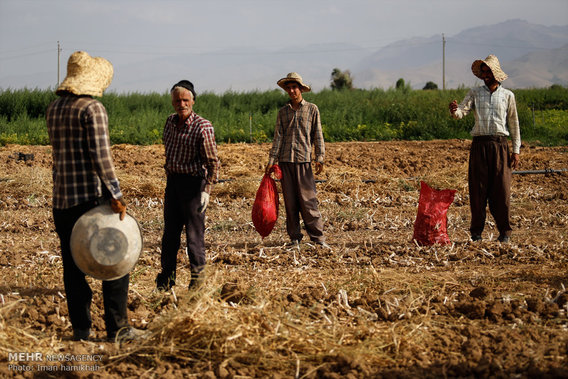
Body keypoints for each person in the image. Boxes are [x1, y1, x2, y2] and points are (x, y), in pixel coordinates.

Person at [46, 51, 139, 342]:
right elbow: (101, 157)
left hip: (62, 201)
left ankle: (81, 329)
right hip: (90, 202)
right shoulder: (92, 109)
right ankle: (118, 329)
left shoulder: (54, 108)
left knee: (73, 268)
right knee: (114, 263)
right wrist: (116, 194)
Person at [155, 80, 220, 291]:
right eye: (177, 100)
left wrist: (206, 191)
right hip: (173, 184)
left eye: (185, 100)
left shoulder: (203, 126)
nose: (181, 104)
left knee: (194, 237)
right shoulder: (170, 122)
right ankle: (166, 281)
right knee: (169, 237)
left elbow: (213, 163)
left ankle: (198, 284)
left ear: (193, 101)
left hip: (193, 186)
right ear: (172, 102)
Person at [449, 54, 521, 243]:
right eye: (484, 71)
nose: (486, 74)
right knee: (478, 190)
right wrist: (454, 111)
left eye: (488, 71)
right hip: (479, 145)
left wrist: (516, 150)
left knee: (501, 190)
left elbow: (514, 124)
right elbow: (461, 112)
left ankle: (505, 232)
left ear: (496, 73)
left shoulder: (508, 96)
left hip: (500, 145)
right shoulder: (474, 93)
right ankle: (476, 233)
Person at [265, 72, 329, 248]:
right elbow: (278, 137)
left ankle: (318, 239)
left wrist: (320, 157)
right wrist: (272, 160)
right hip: (285, 162)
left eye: (295, 87)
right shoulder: (283, 112)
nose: (292, 90)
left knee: (308, 201)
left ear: (301, 89)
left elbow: (318, 135)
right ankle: (295, 238)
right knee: (291, 202)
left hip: (303, 161)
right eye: (289, 88)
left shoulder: (312, 109)